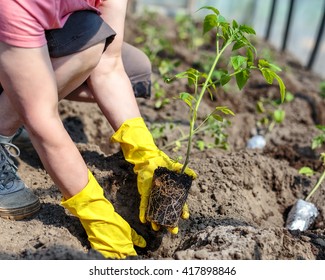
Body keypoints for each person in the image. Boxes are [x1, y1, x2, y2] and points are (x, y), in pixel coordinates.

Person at [0, 0, 196, 259]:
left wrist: (144, 151)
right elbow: (41, 118)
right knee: (80, 54)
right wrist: (95, 211)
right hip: (13, 24)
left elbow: (110, 66)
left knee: (121, 58)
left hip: (34, 26)